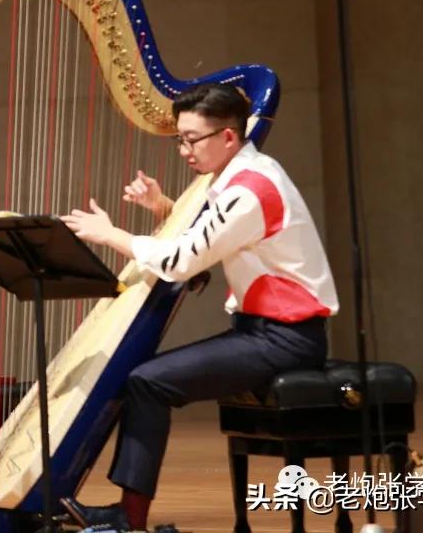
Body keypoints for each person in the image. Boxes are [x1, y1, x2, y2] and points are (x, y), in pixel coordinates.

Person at [59, 83, 338, 533]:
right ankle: (127, 513)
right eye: (180, 139)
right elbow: (212, 240)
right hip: (260, 331)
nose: (184, 150)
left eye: (193, 139)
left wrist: (109, 234)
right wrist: (162, 207)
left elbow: (180, 262)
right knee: (147, 379)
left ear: (229, 136)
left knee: (147, 381)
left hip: (285, 339)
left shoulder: (249, 189)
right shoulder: (240, 175)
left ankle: (129, 519)